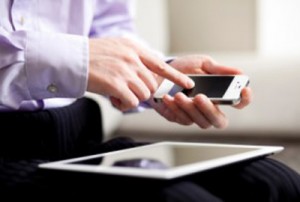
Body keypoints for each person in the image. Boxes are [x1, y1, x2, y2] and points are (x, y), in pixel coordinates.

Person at [0, 0, 299, 201]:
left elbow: (110, 26)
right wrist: (69, 59)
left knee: (280, 185)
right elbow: (85, 54)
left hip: (75, 137)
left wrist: (159, 74)